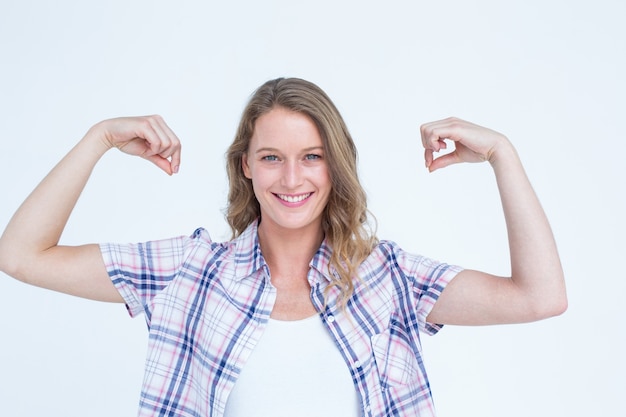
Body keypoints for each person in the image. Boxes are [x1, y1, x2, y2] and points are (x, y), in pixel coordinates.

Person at [0, 77, 567, 417]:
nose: (292, 178)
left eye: (312, 156)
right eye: (272, 156)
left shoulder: (386, 277)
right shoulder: (190, 271)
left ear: (334, 166)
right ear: (246, 166)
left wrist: (503, 155)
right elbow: (22, 255)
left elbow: (539, 297)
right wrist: (98, 138)